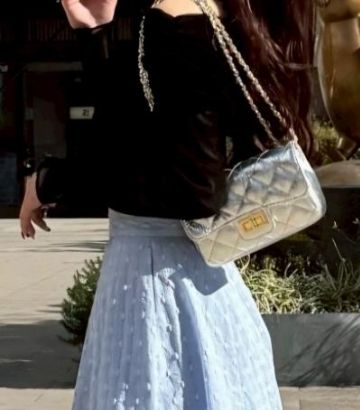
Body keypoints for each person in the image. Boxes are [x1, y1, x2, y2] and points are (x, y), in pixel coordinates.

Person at [19, 0, 315, 408]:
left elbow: (115, 156)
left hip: (143, 279)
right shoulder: (228, 35)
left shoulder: (162, 31)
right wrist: (95, 34)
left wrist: (43, 184)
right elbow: (159, 143)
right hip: (212, 283)